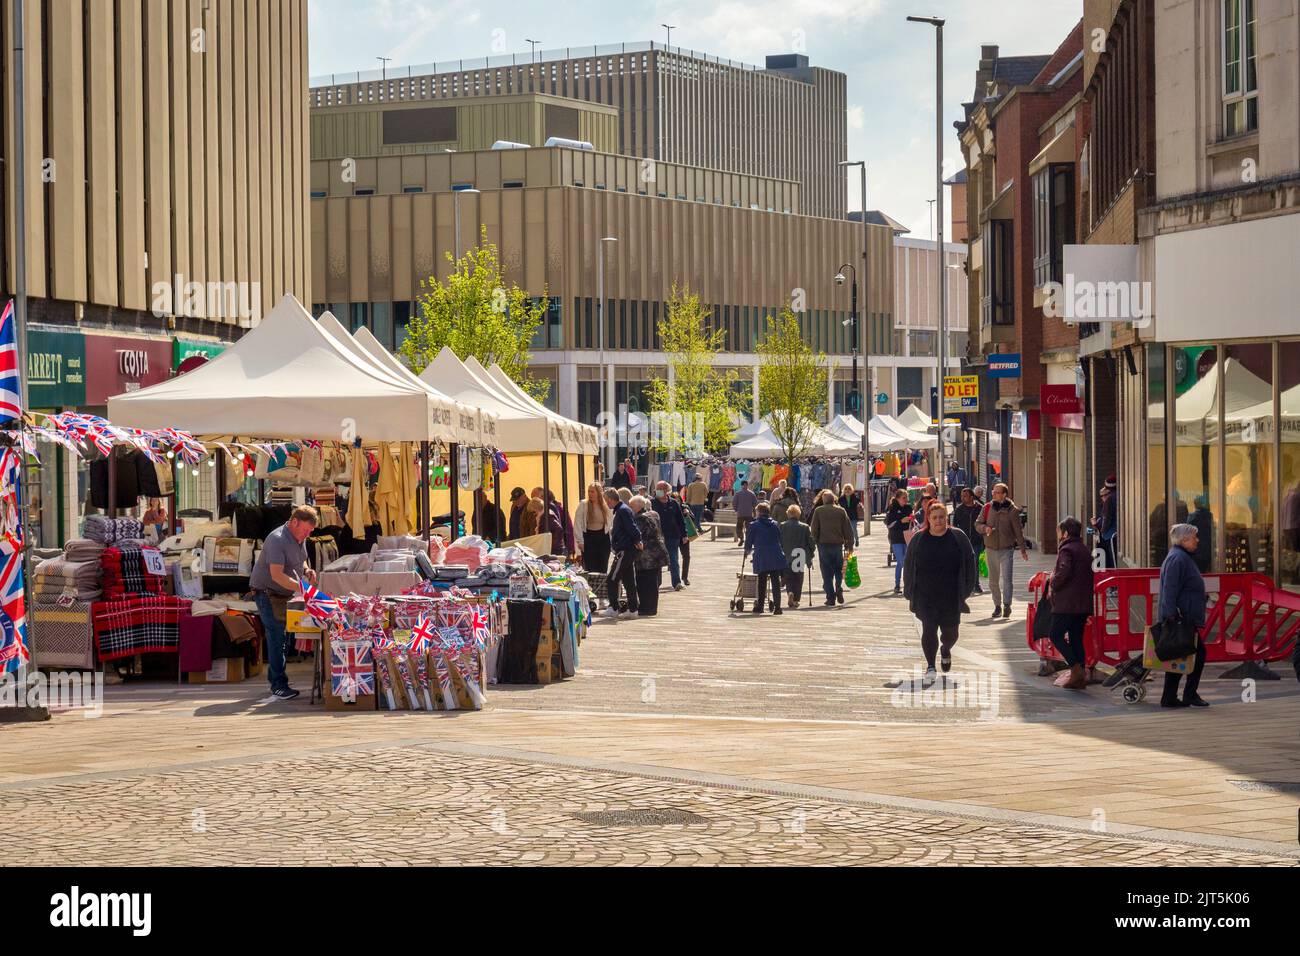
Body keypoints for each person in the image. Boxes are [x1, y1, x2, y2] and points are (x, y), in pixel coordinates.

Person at [249, 506, 320, 701]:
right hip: (267, 593)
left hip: (283, 593)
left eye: (310, 532)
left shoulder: (300, 537)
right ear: (294, 522)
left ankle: (278, 679)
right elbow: (277, 575)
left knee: (283, 637)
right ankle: (278, 685)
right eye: (305, 530)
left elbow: (301, 560)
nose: (307, 534)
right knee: (276, 637)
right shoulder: (277, 539)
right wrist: (302, 588)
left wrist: (306, 571)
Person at [902, 502, 978, 684]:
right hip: (925, 594)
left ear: (947, 518)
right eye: (934, 517)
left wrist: (966, 590)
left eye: (942, 517)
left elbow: (970, 563)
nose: (938, 521)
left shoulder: (958, 537)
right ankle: (930, 666)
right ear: (928, 518)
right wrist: (909, 591)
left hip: (951, 595)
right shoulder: (919, 539)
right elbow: (909, 565)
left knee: (951, 633)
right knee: (929, 629)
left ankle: (946, 649)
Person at [1157, 523, 1209, 708]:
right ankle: (1187, 695)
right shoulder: (1178, 559)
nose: (1197, 540)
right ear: (1184, 540)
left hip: (1184, 617)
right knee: (1195, 654)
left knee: (1179, 654)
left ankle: (1171, 697)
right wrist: (1171, 615)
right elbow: (1169, 589)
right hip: (1181, 618)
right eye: (1194, 537)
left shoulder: (1182, 557)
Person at [1047, 517, 1095, 690]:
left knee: (1055, 635)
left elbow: (1063, 572)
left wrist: (1053, 581)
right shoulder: (1083, 548)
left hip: (1067, 603)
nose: (1058, 534)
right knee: (1076, 638)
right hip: (1082, 603)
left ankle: (1076, 669)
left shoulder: (1066, 550)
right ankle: (1080, 675)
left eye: (1060, 531)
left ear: (1065, 533)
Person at [976, 483, 1029, 619]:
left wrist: (1023, 549)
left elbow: (1018, 531)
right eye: (993, 492)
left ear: (1004, 495)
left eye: (997, 492)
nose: (993, 494)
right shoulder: (987, 507)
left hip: (1007, 549)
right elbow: (978, 524)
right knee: (993, 580)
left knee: (1007, 579)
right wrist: (985, 529)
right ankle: (997, 606)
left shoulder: (1013, 511)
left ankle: (1007, 605)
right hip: (990, 548)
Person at [603, 488, 643, 619]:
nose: (606, 504)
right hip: (627, 549)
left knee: (612, 579)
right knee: (628, 579)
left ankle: (613, 607)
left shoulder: (622, 511)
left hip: (625, 549)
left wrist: (638, 539)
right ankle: (633, 609)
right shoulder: (623, 510)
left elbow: (632, 527)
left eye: (606, 501)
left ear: (610, 500)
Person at [810, 490, 854, 607]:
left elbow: (814, 529)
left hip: (823, 545)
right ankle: (838, 586)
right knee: (838, 569)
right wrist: (850, 544)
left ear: (824, 500)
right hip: (837, 544)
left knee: (826, 572)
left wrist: (812, 543)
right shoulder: (841, 511)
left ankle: (830, 597)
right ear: (833, 499)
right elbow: (848, 529)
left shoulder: (818, 511)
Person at [744, 502, 787, 615]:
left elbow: (749, 541)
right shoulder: (776, 524)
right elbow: (780, 539)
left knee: (762, 581)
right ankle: (778, 607)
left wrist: (747, 551)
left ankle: (761, 606)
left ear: (759, 512)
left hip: (762, 555)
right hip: (775, 554)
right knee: (775, 582)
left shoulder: (754, 525)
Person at [630, 495, 668, 617]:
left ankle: (647, 608)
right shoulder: (654, 514)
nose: (630, 509)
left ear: (637, 507)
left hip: (647, 556)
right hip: (658, 552)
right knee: (653, 582)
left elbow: (637, 536)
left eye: (631, 506)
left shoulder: (639, 519)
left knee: (644, 582)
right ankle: (651, 607)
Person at [651, 480, 688, 590]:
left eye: (661, 489)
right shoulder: (652, 503)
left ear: (666, 490)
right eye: (657, 489)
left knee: (673, 560)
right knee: (657, 561)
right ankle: (656, 583)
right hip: (658, 536)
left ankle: (676, 582)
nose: (658, 491)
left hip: (673, 536)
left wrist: (684, 534)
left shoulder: (673, 503)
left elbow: (680, 519)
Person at [779, 503, 815, 609]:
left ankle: (790, 592)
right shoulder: (804, 527)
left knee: (789, 577)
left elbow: (779, 540)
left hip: (786, 556)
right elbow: (811, 542)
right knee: (798, 578)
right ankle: (796, 599)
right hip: (799, 555)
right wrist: (811, 552)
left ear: (788, 514)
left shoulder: (782, 525)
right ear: (798, 514)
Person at [951, 487, 986, 595]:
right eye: (962, 496)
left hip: (977, 541)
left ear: (972, 497)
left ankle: (976, 585)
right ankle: (965, 585)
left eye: (965, 496)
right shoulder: (959, 509)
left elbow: (985, 523)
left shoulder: (980, 508)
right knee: (964, 564)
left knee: (975, 564)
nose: (962, 498)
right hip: (963, 541)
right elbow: (954, 525)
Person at [574, 482, 613, 574]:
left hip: (603, 538)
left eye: (592, 492)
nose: (590, 494)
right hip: (589, 538)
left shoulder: (605, 505)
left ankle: (601, 587)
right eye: (589, 491)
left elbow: (610, 521)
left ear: (599, 493)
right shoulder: (583, 504)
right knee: (590, 568)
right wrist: (580, 541)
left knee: (603, 567)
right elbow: (577, 523)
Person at [884, 489, 915, 595]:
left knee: (904, 562)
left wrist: (912, 519)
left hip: (907, 537)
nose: (906, 500)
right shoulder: (892, 509)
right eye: (904, 498)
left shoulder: (908, 508)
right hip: (896, 538)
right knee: (902, 562)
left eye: (907, 497)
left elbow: (913, 522)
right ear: (897, 498)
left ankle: (902, 585)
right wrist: (900, 521)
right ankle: (903, 584)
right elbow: (889, 524)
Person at [1090, 477, 1118, 569]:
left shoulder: (1110, 500)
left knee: (1113, 562)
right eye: (1102, 496)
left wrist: (1101, 529)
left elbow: (1106, 519)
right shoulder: (1118, 496)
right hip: (1112, 534)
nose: (1103, 497)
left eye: (1105, 494)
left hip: (1110, 535)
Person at [671, 487, 694, 587]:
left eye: (678, 500)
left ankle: (685, 577)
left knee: (686, 556)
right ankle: (676, 578)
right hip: (674, 535)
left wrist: (687, 514)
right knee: (674, 558)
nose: (677, 501)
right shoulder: (669, 508)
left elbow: (693, 519)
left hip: (684, 535)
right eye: (674, 499)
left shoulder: (685, 507)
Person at [733, 480, 757, 547]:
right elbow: (755, 504)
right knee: (749, 528)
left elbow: (734, 503)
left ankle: (741, 538)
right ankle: (748, 540)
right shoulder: (752, 493)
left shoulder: (738, 493)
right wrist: (754, 512)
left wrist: (736, 510)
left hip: (740, 513)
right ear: (747, 485)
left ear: (741, 485)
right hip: (749, 513)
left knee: (739, 527)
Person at [839, 483, 862, 549]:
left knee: (853, 529)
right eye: (846, 489)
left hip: (853, 516)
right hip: (844, 517)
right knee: (845, 531)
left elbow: (858, 503)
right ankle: (847, 543)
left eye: (849, 489)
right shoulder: (841, 499)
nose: (847, 490)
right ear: (843, 490)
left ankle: (856, 540)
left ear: (852, 490)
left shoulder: (855, 497)